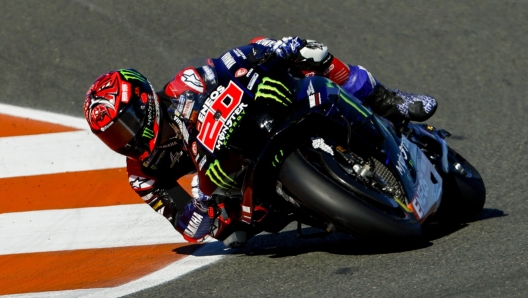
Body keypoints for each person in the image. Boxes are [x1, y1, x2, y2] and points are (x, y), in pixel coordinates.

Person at [84, 36, 437, 247]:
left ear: (145, 102)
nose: (125, 139)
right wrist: (202, 208)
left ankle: (386, 99)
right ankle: (324, 202)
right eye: (113, 135)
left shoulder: (185, 84)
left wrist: (272, 50)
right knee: (231, 238)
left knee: (311, 58)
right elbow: (187, 226)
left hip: (253, 121)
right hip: (230, 187)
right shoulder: (143, 175)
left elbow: (229, 62)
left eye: (126, 125)